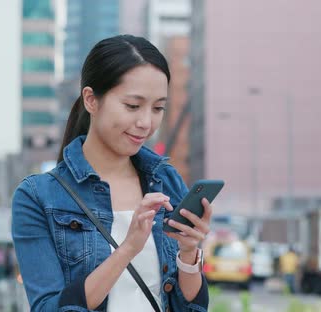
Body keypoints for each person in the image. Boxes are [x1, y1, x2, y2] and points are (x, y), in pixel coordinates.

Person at [12, 35, 212, 312]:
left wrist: (189, 254)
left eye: (158, 108)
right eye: (132, 106)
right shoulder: (38, 196)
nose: (145, 122)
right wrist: (128, 249)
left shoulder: (166, 181)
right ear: (92, 100)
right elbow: (48, 307)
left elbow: (190, 308)